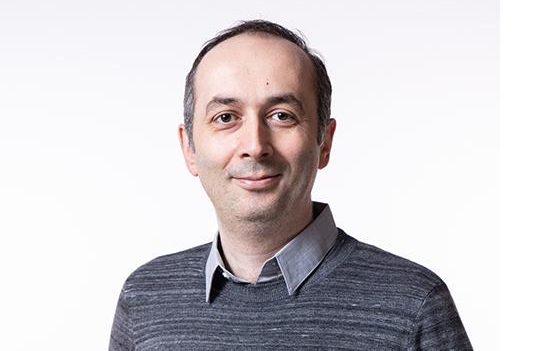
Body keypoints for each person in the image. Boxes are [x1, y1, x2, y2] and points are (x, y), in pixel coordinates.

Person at [109, 20, 472, 350]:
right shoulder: (144, 299)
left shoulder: (415, 305)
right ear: (189, 147)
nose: (254, 145)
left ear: (324, 142)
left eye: (281, 116)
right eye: (225, 117)